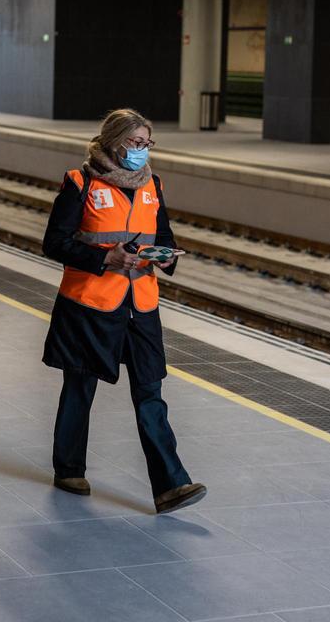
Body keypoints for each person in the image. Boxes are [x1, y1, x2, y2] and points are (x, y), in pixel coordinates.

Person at [41, 108, 206, 514]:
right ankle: (69, 468)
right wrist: (105, 259)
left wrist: (167, 258)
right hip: (90, 305)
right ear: (113, 142)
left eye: (147, 143)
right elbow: (55, 242)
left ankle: (171, 485)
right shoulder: (80, 183)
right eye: (135, 143)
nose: (142, 151)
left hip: (142, 304)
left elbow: (163, 234)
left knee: (151, 391)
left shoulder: (153, 184)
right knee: (80, 388)